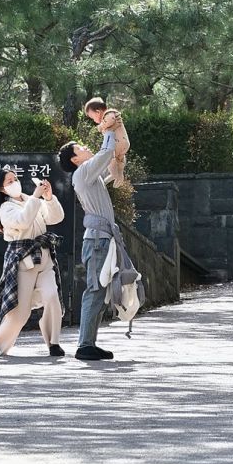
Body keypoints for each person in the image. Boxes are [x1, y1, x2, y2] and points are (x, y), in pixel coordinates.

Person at [58, 126, 143, 361]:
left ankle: (89, 343)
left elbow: (111, 174)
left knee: (100, 290)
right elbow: (105, 153)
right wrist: (109, 129)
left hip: (101, 240)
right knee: (95, 289)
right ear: (75, 159)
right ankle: (84, 344)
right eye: (81, 148)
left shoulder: (87, 175)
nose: (86, 148)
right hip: (97, 241)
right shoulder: (82, 172)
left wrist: (118, 165)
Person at [0, 169, 66, 358]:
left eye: (15, 179)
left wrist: (49, 197)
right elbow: (23, 222)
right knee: (20, 311)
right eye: (9, 181)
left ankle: (53, 342)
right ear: (2, 189)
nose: (15, 183)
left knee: (52, 296)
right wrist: (36, 198)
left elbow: (55, 218)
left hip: (44, 256)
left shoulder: (31, 199)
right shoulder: (6, 208)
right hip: (23, 259)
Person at [84, 98, 130, 186]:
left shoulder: (109, 114)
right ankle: (119, 174)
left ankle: (115, 175)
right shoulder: (111, 115)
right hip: (123, 144)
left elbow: (110, 120)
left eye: (92, 117)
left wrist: (101, 126)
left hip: (117, 144)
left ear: (98, 112)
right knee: (119, 160)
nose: (94, 121)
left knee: (109, 159)